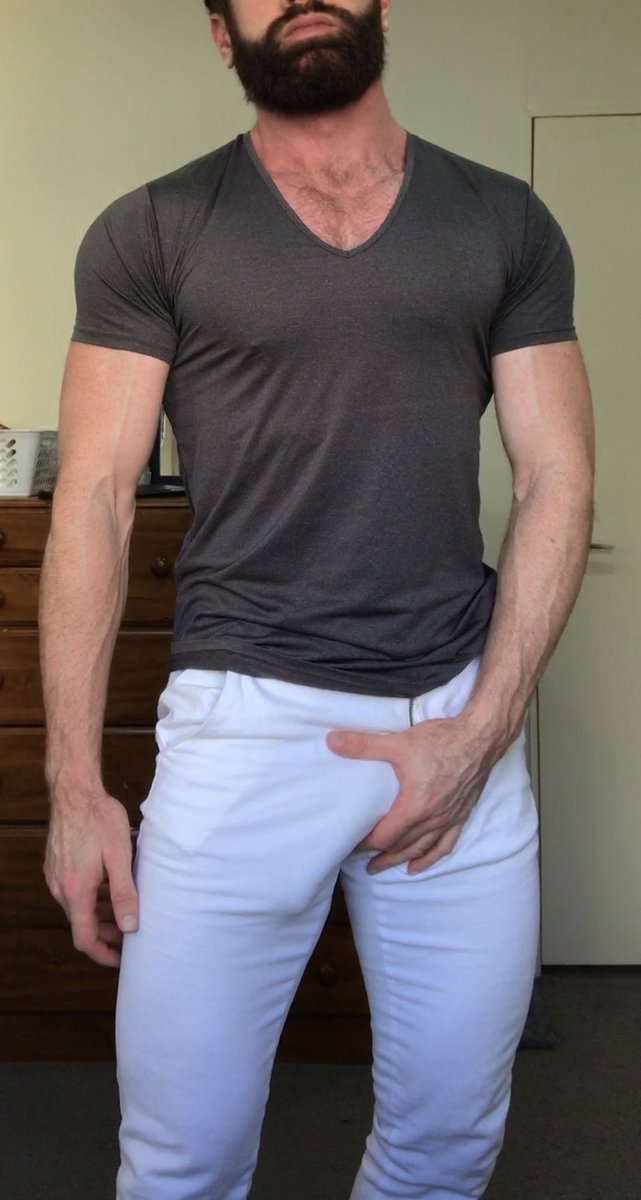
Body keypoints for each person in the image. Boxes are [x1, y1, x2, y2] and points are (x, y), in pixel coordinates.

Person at [39, 2, 595, 1197]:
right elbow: (92, 499)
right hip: (241, 726)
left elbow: (555, 475)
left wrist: (482, 732)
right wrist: (75, 787)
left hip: (453, 716)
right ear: (218, 31)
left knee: (446, 1148)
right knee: (179, 1163)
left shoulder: (501, 220)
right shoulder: (153, 228)